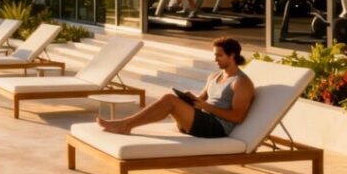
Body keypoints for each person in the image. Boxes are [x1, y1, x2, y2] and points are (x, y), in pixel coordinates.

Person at [98, 37, 255, 138]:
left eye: (219, 56)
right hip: (201, 120)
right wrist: (190, 98)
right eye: (214, 55)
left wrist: (207, 107)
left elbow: (237, 117)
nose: (215, 60)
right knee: (170, 98)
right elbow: (201, 100)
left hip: (216, 128)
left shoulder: (241, 82)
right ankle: (126, 124)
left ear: (232, 55)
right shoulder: (214, 77)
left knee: (169, 100)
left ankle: (125, 125)